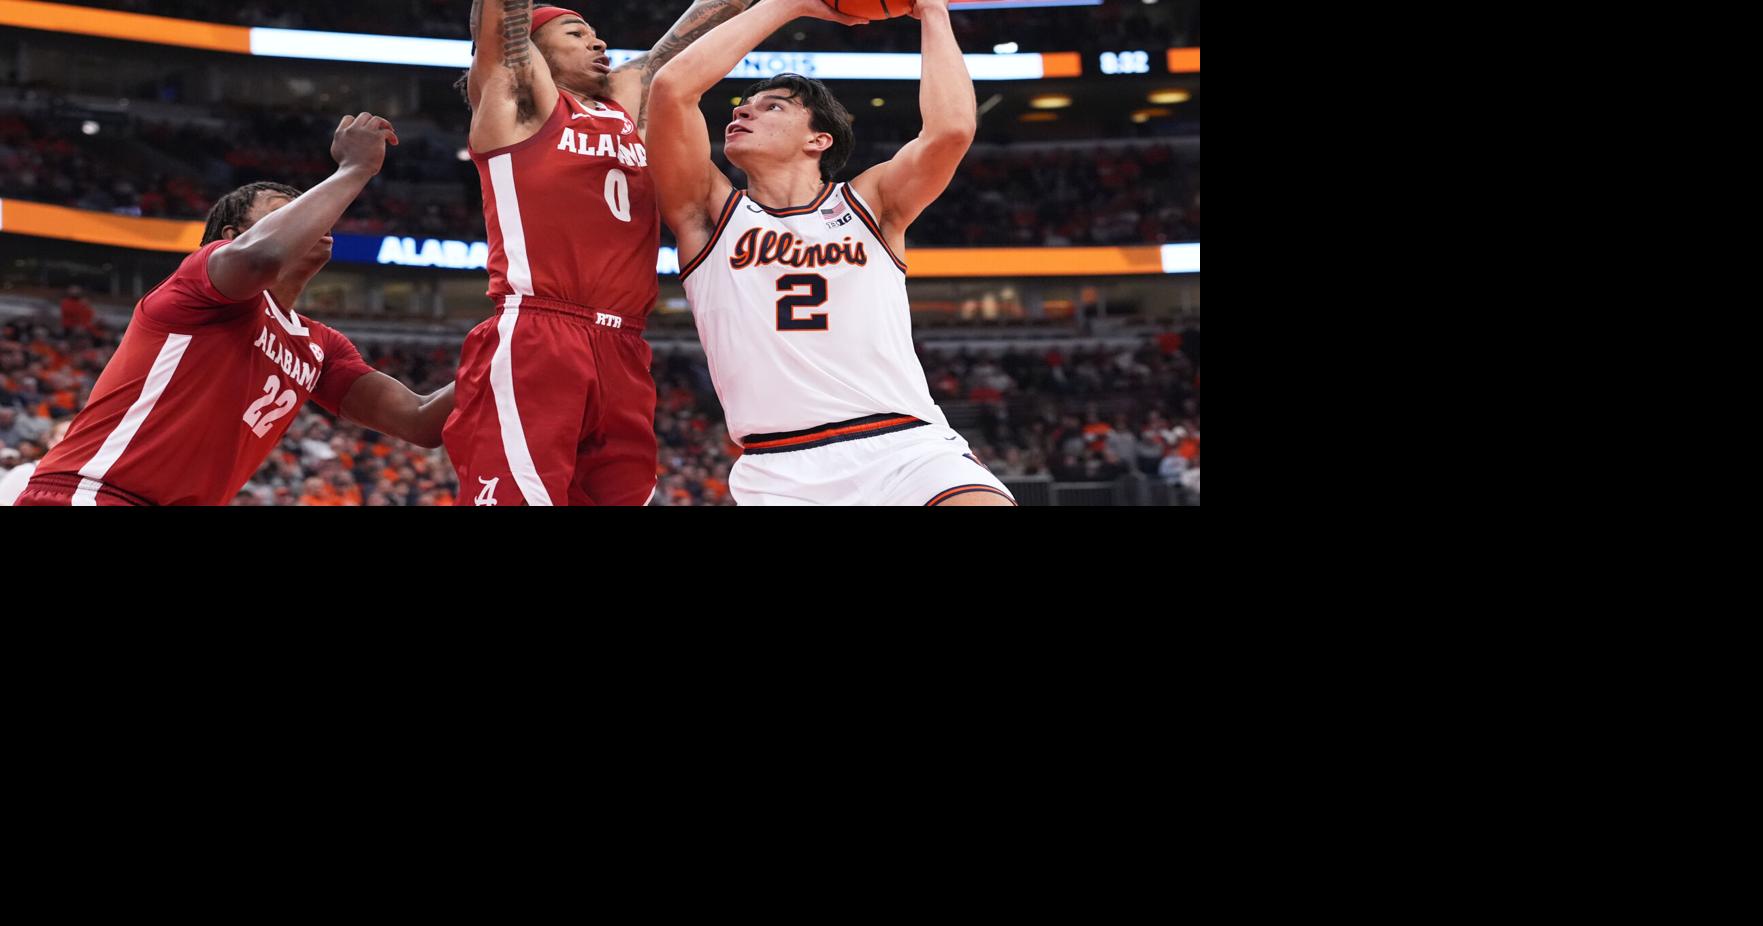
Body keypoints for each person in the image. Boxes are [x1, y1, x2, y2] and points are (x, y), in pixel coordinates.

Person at [646, 0, 1015, 505]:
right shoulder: (707, 214)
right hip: (780, 466)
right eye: (743, 106)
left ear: (819, 139)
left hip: (906, 445)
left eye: (773, 106)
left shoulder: (872, 202)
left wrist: (932, 11)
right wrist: (787, 4)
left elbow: (950, 132)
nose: (742, 111)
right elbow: (671, 88)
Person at [17, 114, 455, 506]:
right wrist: (355, 169)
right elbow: (260, 258)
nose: (316, 219)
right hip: (93, 491)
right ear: (231, 236)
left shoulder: (321, 346)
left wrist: (495, 342)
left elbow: (420, 422)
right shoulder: (200, 278)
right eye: (286, 211)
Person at [445, 0, 757, 506]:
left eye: (594, 33)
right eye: (575, 33)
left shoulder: (621, 111)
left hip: (625, 345)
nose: (598, 41)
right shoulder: (517, 108)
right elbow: (499, 29)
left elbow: (688, 38)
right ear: (532, 51)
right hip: (541, 332)